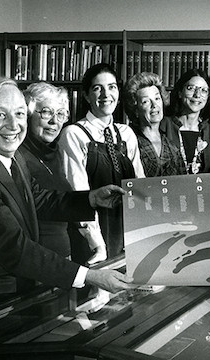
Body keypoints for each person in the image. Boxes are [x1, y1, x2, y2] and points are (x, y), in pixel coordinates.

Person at [0, 77, 132, 321]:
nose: (14, 125)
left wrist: (91, 199)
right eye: (0, 115)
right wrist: (89, 276)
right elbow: (15, 249)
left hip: (14, 296)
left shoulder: (9, 154)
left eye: (19, 114)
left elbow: (39, 199)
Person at [58, 63, 144, 263]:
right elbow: (78, 193)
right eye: (98, 88)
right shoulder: (74, 134)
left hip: (126, 232)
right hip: (90, 235)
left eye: (112, 87)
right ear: (87, 96)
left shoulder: (127, 134)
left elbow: (140, 187)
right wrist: (98, 244)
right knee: (93, 293)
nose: (106, 94)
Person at [18, 82, 73, 258]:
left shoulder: (54, 152)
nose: (54, 121)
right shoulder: (18, 156)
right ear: (28, 114)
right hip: (37, 262)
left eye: (60, 114)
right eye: (47, 112)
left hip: (63, 258)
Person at [123, 71, 186, 176]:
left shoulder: (172, 146)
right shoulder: (127, 141)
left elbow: (184, 183)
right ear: (136, 110)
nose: (154, 105)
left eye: (157, 98)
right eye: (146, 101)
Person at [165, 69, 210, 173]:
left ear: (208, 96)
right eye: (191, 88)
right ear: (179, 92)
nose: (197, 95)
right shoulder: (164, 125)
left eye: (203, 90)